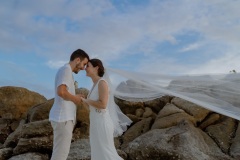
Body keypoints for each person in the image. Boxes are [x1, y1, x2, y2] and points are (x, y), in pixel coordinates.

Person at [81, 59, 132, 160]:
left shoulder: (102, 83)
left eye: (88, 66)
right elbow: (92, 108)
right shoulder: (93, 86)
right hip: (95, 123)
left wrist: (87, 101)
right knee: (98, 154)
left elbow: (103, 104)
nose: (85, 68)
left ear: (96, 68)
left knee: (107, 154)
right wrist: (83, 102)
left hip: (102, 123)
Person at [49, 49, 89, 160]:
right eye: (84, 64)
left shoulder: (65, 71)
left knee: (60, 154)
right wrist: (75, 98)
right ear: (77, 60)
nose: (83, 68)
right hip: (63, 118)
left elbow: (64, 92)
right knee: (60, 156)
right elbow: (61, 92)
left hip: (63, 118)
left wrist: (75, 96)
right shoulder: (66, 70)